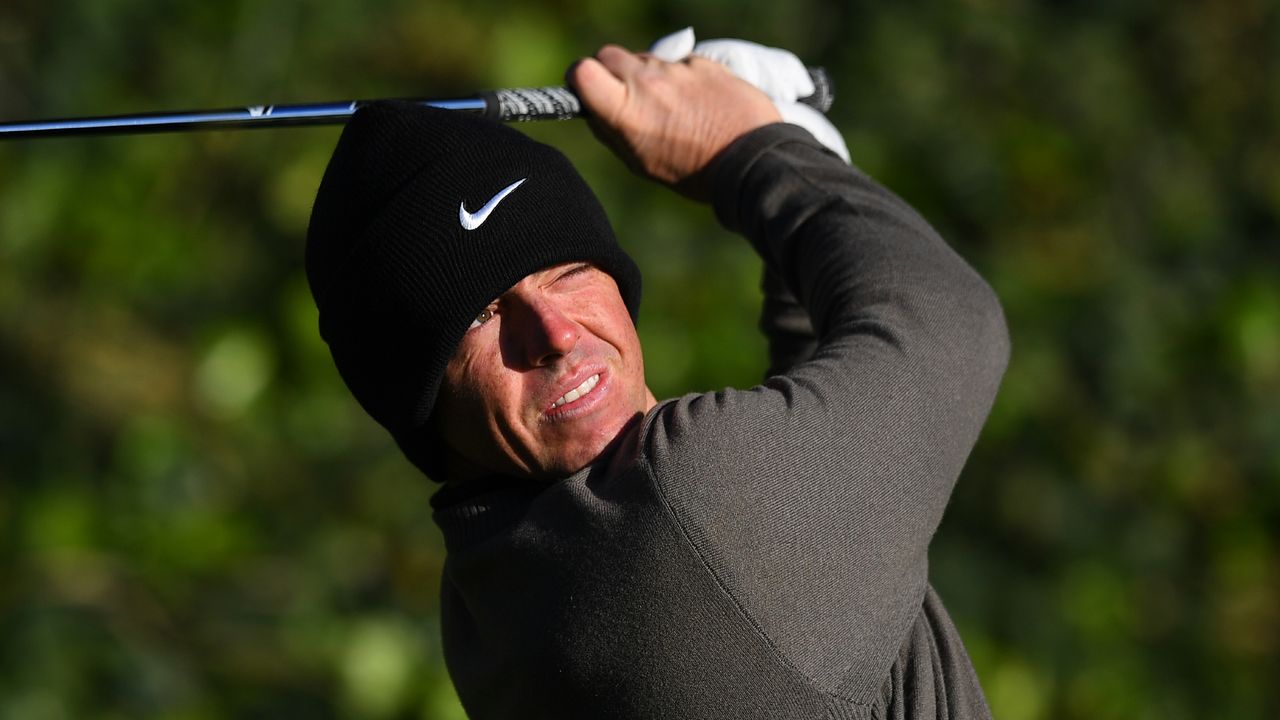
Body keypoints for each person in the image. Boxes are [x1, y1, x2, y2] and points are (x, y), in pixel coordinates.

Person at [305, 31, 1009, 720]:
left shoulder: (485, 602)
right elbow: (950, 320)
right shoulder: (685, 510)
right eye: (481, 317)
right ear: (415, 391)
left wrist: (803, 155)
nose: (554, 334)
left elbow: (798, 567)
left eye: (569, 270)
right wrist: (753, 150)